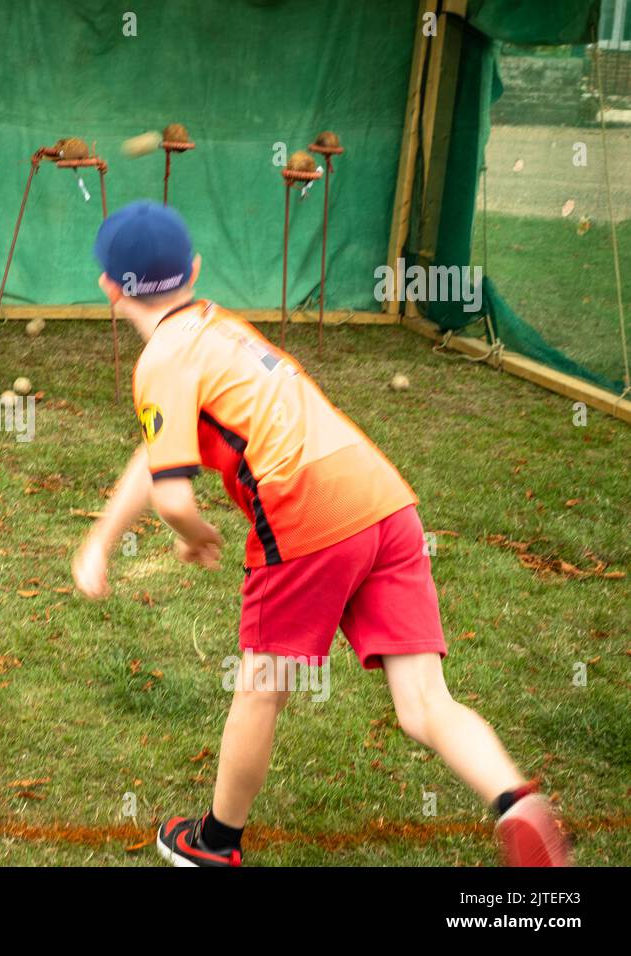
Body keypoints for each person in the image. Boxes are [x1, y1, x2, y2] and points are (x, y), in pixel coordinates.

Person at [72, 201, 571, 868]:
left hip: (304, 518)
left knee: (261, 687)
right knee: (424, 702)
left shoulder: (161, 358)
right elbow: (158, 452)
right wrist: (101, 542)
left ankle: (216, 844)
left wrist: (190, 534)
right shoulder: (222, 329)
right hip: (385, 503)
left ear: (108, 286)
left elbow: (171, 492)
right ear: (194, 269)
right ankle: (517, 802)